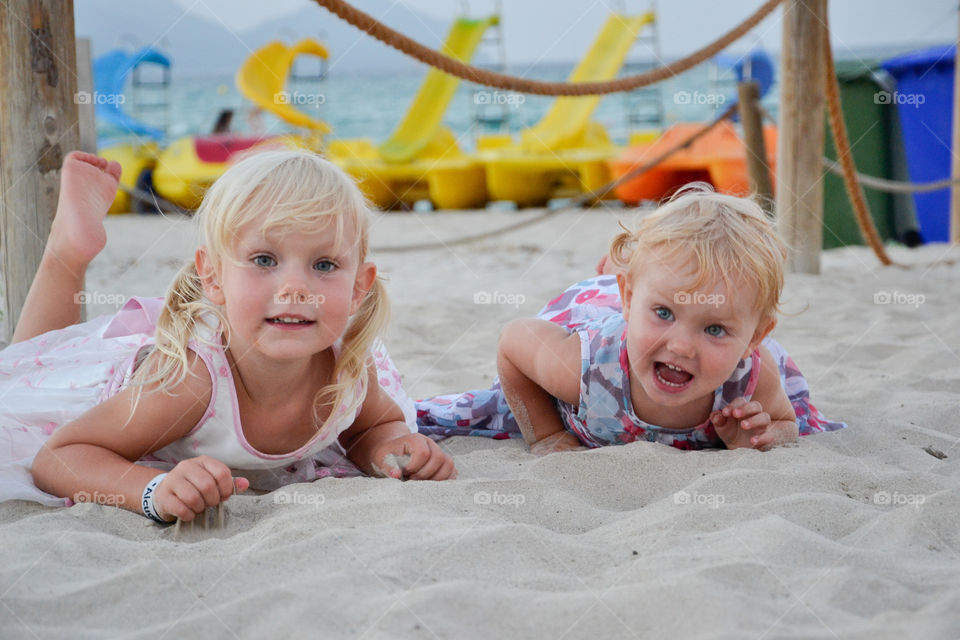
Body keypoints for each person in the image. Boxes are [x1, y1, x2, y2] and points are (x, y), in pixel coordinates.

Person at [1, 150, 455, 524]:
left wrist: (390, 448)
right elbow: (59, 457)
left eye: (323, 265)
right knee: (27, 369)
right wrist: (151, 490)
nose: (295, 288)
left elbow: (371, 426)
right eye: (263, 259)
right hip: (113, 388)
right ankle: (68, 249)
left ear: (359, 286)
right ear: (213, 277)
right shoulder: (189, 383)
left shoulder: (347, 363)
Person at [416, 185, 846, 454]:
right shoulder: (582, 366)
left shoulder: (751, 376)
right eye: (666, 314)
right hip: (593, 312)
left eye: (715, 328)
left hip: (634, 302)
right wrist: (545, 435)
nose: (681, 345)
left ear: (756, 337)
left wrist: (753, 440)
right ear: (628, 299)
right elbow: (514, 342)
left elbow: (786, 423)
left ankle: (634, 285)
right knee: (619, 290)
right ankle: (609, 277)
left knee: (656, 287)